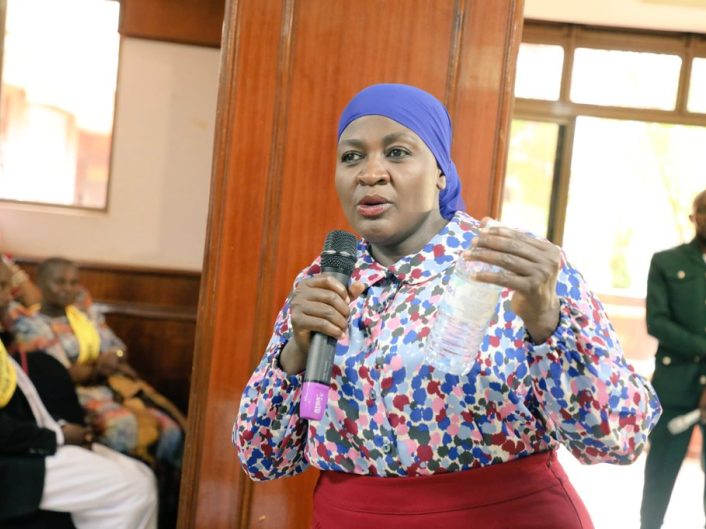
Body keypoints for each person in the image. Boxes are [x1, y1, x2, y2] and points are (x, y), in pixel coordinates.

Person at [233, 83, 662, 528]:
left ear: (441, 171)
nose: (370, 173)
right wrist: (295, 352)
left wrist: (547, 322)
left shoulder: (512, 264)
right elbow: (261, 458)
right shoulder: (322, 280)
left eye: (397, 153)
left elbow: (617, 439)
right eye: (352, 156)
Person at [9, 257, 185, 527]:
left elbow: (118, 348)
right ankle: (130, 499)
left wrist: (109, 359)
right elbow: (61, 373)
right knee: (122, 428)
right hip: (74, 397)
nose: (68, 289)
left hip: (110, 389)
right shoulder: (31, 323)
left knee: (172, 429)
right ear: (41, 283)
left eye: (73, 282)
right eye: (60, 282)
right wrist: (102, 364)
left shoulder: (83, 314)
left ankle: (168, 510)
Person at [640, 188, 706, 529]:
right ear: (693, 217)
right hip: (675, 385)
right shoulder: (666, 262)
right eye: (704, 210)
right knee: (659, 480)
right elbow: (658, 322)